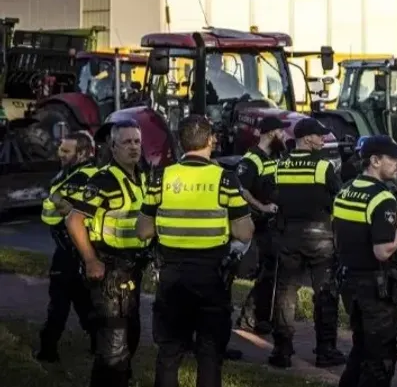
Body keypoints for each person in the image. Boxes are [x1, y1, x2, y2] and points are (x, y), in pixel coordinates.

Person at [135, 115, 255, 387]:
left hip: (172, 275)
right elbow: (244, 232)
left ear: (181, 141)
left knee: (169, 353)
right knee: (209, 354)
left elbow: (142, 231)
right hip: (211, 276)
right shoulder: (225, 179)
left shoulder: (161, 178)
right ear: (210, 140)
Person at [66, 120, 151, 387]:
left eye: (137, 141)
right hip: (108, 269)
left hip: (132, 268)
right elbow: (73, 220)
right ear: (113, 147)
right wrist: (91, 260)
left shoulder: (143, 176)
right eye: (127, 142)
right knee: (114, 344)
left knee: (132, 333)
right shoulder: (103, 180)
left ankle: (121, 380)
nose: (134, 147)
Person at [268, 118, 346, 368]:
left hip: (288, 236)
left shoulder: (280, 167)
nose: (323, 139)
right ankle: (325, 351)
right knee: (324, 294)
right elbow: (339, 197)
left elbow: (274, 197)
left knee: (285, 294)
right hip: (320, 237)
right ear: (306, 139)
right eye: (319, 135)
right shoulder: (323, 167)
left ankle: (282, 351)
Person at [333, 135, 397, 387]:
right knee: (380, 359)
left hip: (350, 284)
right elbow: (382, 251)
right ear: (374, 161)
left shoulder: (345, 189)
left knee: (361, 348)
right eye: (392, 158)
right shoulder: (382, 198)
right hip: (375, 289)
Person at [35, 131, 98, 362]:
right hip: (85, 250)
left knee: (60, 302)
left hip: (70, 250)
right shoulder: (87, 174)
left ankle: (47, 350)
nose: (60, 154)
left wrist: (56, 200)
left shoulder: (77, 178)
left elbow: (53, 216)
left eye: (66, 150)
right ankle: (97, 344)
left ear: (81, 153)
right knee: (84, 301)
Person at [234, 116, 285, 334]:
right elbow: (242, 190)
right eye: (281, 133)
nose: (283, 136)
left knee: (271, 270)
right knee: (264, 271)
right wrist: (262, 208)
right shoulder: (251, 160)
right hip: (259, 225)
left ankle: (261, 317)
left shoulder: (272, 157)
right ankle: (249, 316)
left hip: (272, 225)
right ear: (271, 133)